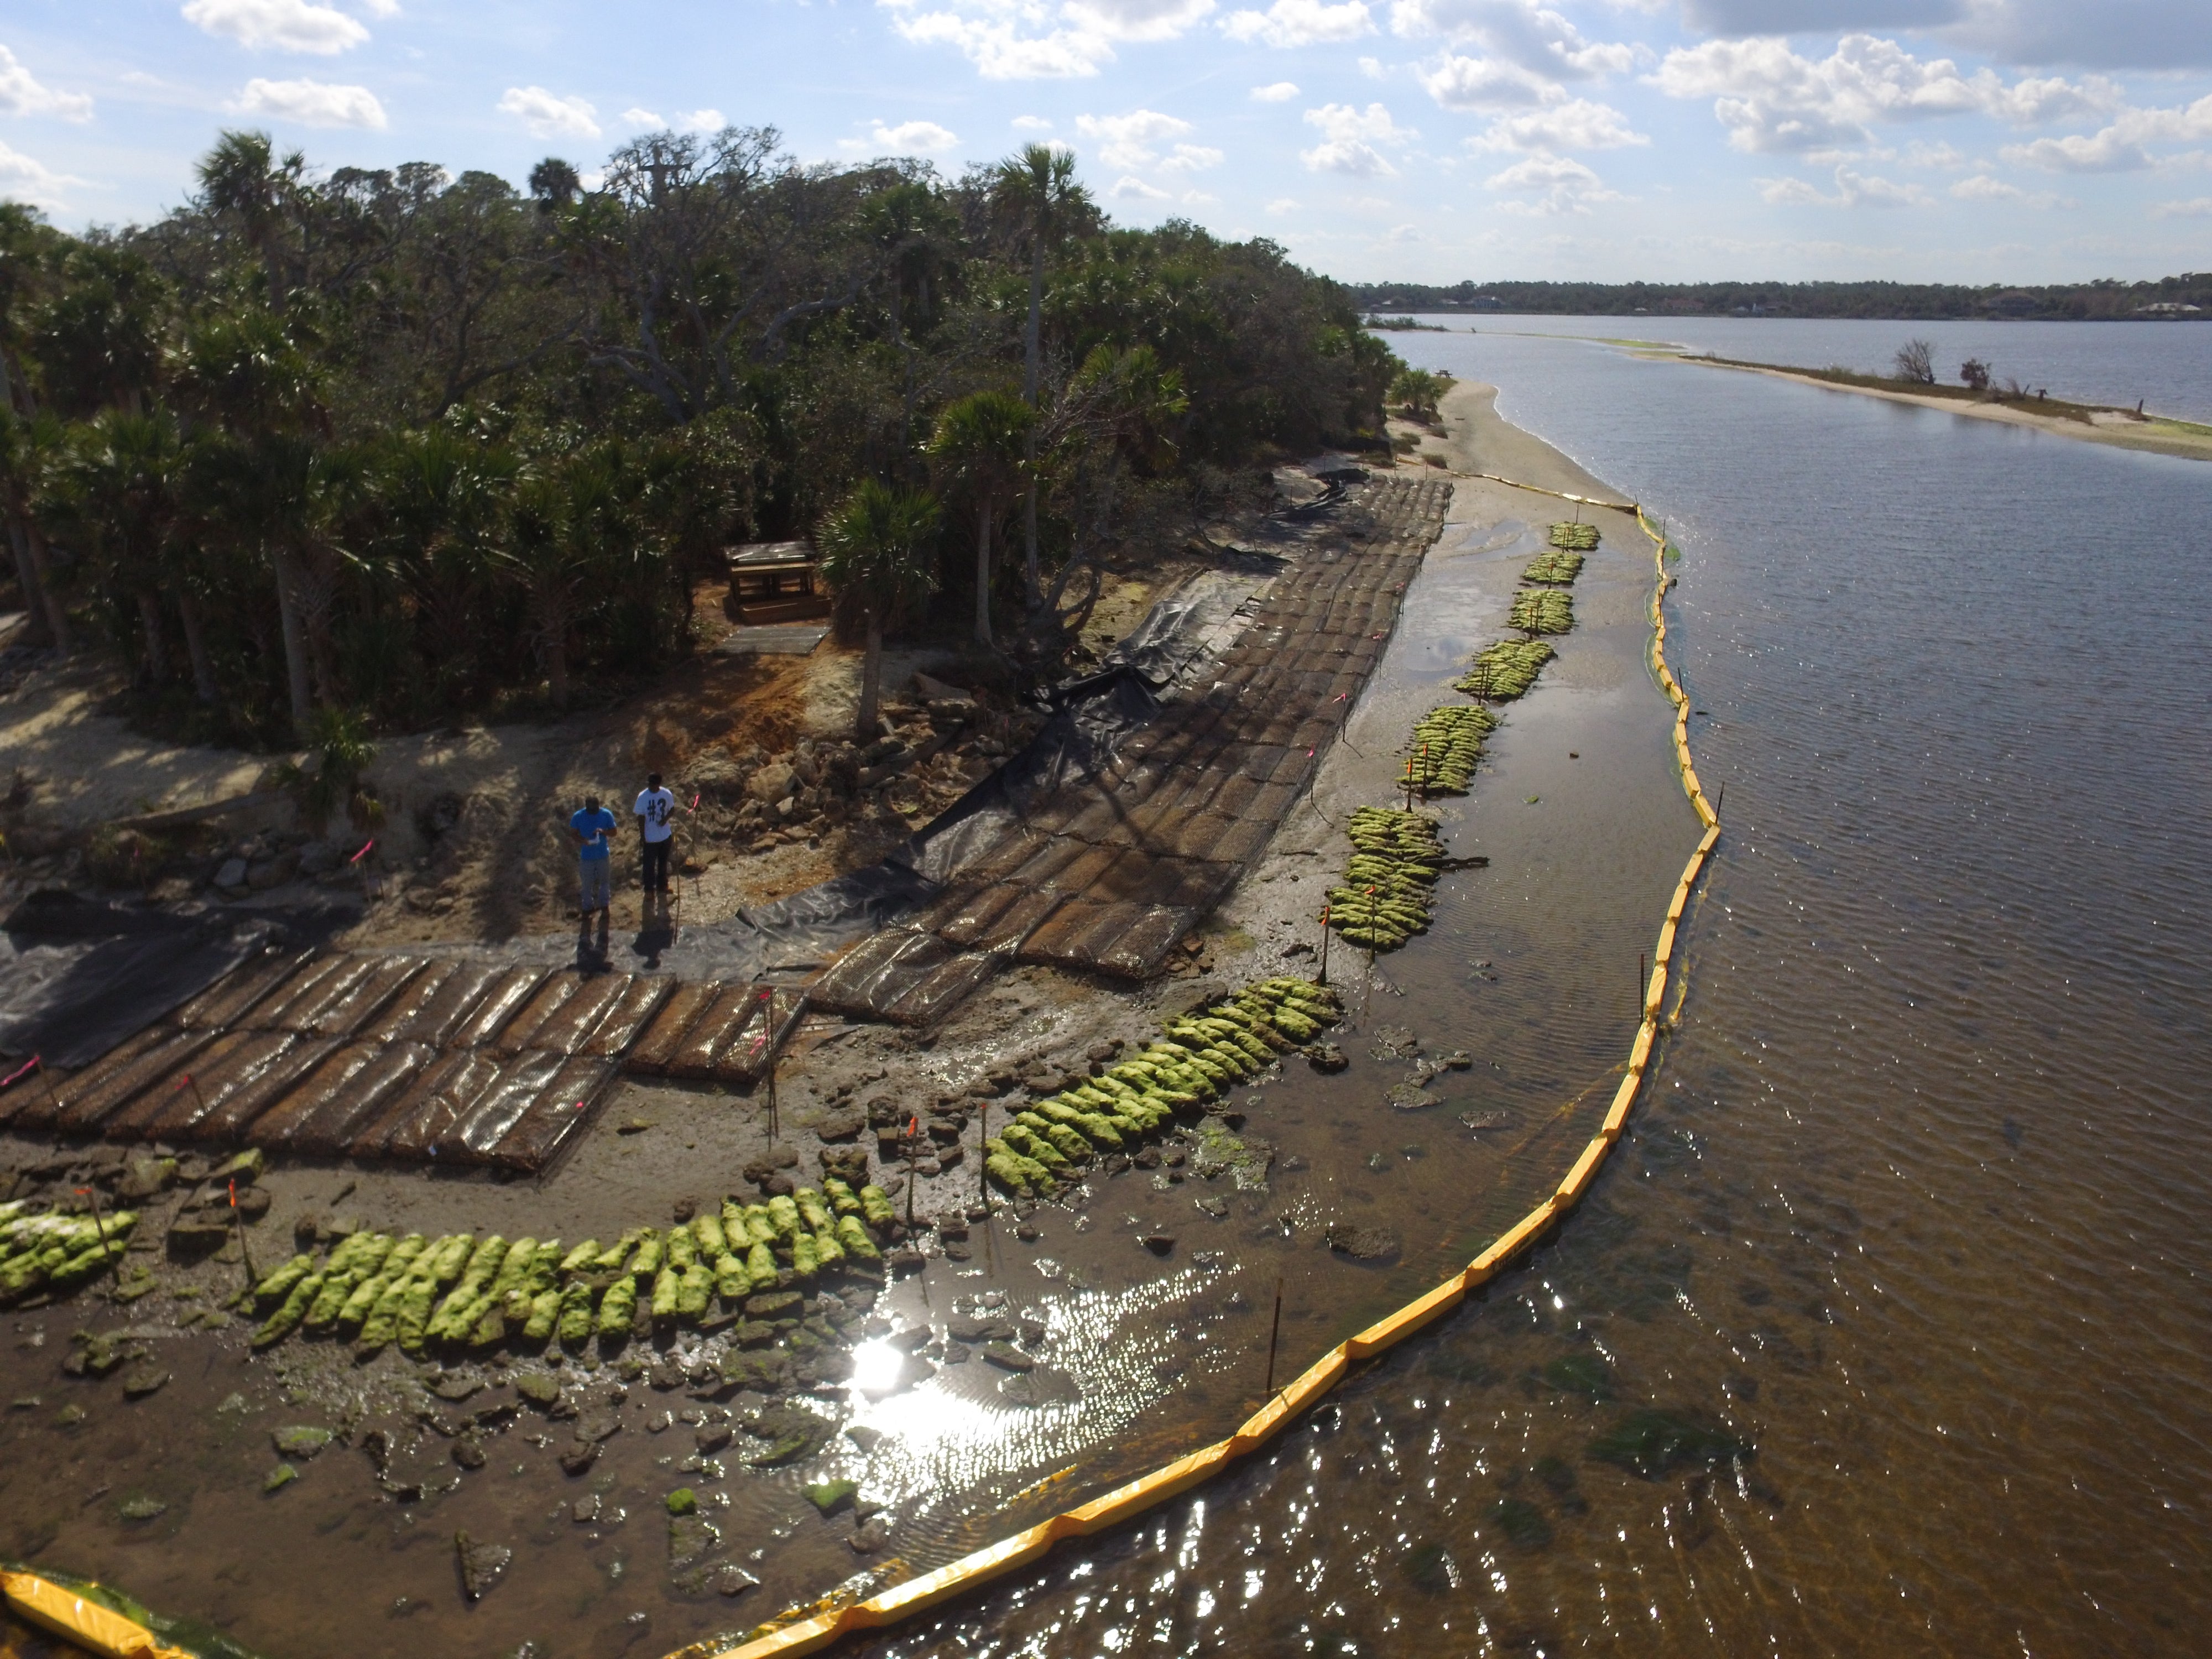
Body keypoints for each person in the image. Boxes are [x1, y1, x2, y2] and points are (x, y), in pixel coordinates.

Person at [570, 793, 617, 915]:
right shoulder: (578, 816)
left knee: (604, 881)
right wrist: (583, 841)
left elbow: (614, 832)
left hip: (602, 854)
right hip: (587, 856)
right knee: (586, 883)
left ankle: (604, 905)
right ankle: (587, 907)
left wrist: (603, 832)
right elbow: (573, 833)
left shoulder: (606, 814)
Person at [635, 770, 675, 897]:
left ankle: (662, 886)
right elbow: (640, 817)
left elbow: (672, 809)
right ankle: (649, 890)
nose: (651, 786)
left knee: (663, 863)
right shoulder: (643, 796)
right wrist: (643, 836)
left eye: (653, 784)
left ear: (659, 784)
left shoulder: (666, 793)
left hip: (665, 835)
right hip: (650, 838)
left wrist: (665, 819)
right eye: (649, 784)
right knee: (649, 866)